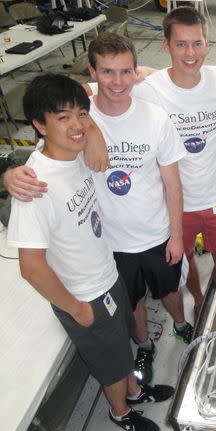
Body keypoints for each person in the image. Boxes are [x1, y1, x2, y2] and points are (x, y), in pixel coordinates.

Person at [5, 33, 195, 386]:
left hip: (157, 232)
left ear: (136, 72)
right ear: (92, 72)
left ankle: (182, 325)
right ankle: (144, 343)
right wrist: (10, 174)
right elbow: (41, 161)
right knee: (133, 298)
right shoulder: (74, 123)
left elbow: (173, 183)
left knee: (170, 288)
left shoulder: (155, 118)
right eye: (107, 72)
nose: (118, 82)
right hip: (112, 242)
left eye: (126, 72)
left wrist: (178, 235)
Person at [8, 74, 174, 431]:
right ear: (39, 124)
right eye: (62, 117)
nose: (77, 125)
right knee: (109, 365)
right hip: (83, 295)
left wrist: (93, 131)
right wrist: (77, 308)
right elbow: (31, 267)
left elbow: (100, 94)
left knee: (121, 348)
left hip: (107, 274)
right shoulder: (36, 186)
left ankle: (133, 392)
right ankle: (120, 414)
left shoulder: (74, 153)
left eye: (81, 114)